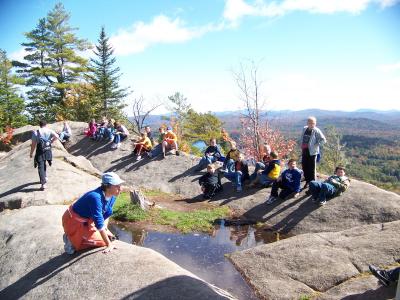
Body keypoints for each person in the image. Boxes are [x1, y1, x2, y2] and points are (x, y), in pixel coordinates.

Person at [62, 172, 123, 254]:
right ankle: (70, 239)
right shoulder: (95, 197)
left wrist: (104, 228)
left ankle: (85, 232)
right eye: (117, 186)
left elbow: (105, 214)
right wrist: (109, 244)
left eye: (120, 185)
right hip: (73, 221)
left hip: (87, 220)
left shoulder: (112, 196)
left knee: (110, 235)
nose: (120, 188)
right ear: (107, 186)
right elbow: (99, 221)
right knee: (102, 242)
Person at [30, 120, 59, 190]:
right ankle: (45, 176)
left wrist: (31, 153)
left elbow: (33, 144)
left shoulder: (36, 132)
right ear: (46, 125)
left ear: (39, 125)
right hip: (48, 150)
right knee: (44, 162)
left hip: (40, 151)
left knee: (40, 166)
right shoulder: (49, 130)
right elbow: (57, 136)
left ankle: (43, 184)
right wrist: (51, 141)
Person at [300, 116, 326, 190]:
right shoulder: (304, 128)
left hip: (312, 152)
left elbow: (323, 140)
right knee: (304, 166)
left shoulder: (316, 130)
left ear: (315, 123)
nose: (312, 124)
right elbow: (302, 137)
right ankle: (307, 180)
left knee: (311, 168)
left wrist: (316, 145)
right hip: (304, 150)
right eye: (310, 122)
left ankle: (312, 183)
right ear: (307, 123)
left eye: (313, 123)